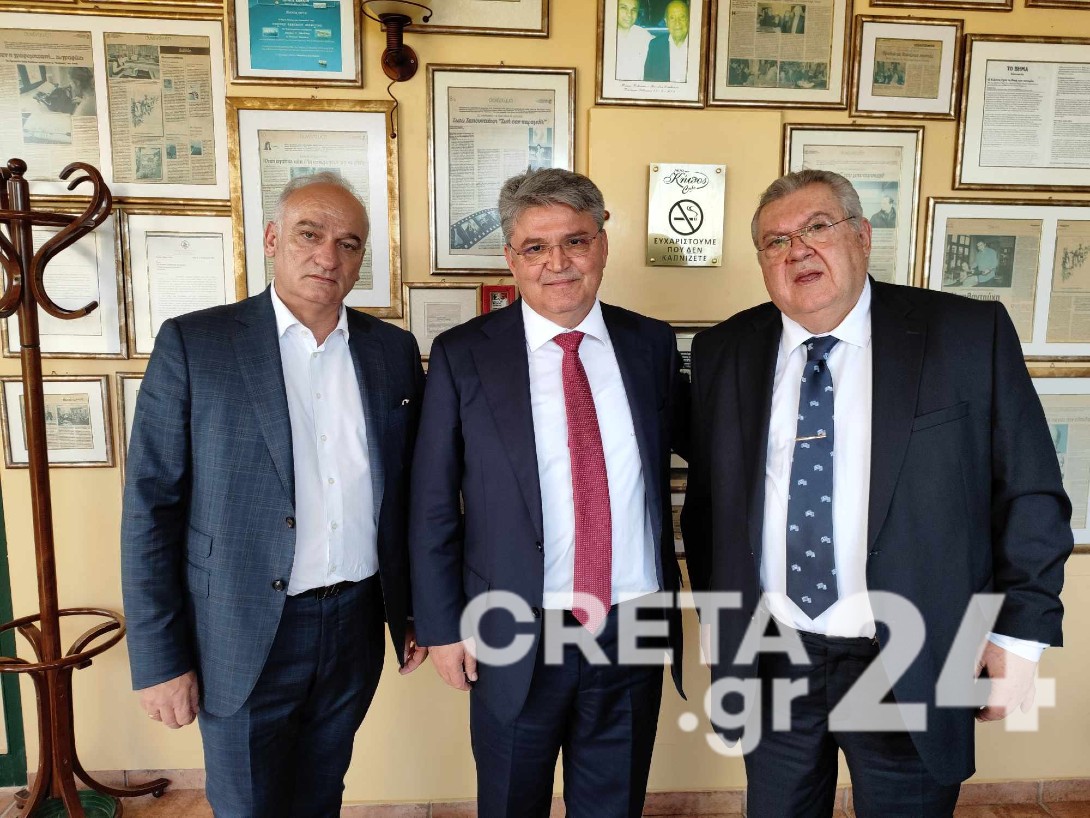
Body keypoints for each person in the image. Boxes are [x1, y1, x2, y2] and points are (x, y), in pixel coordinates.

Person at [682, 168, 1071, 817]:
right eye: (775, 241)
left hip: (911, 654)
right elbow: (709, 509)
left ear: (862, 236)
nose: (797, 250)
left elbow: (1030, 493)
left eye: (817, 227)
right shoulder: (725, 349)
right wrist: (719, 622)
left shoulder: (965, 334)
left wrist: (1019, 636)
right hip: (774, 654)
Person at [121, 172, 428, 818]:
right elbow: (150, 509)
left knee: (322, 794)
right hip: (240, 630)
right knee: (249, 805)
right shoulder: (196, 344)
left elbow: (408, 495)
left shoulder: (392, 352)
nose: (328, 257)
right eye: (308, 235)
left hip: (354, 626)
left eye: (348, 244)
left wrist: (412, 610)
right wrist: (158, 659)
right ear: (271, 239)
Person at [410, 167, 686, 818]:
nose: (557, 263)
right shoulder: (462, 354)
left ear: (602, 245)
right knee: (511, 801)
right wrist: (443, 628)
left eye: (575, 241)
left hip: (631, 621)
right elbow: (431, 505)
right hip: (512, 627)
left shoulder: (650, 344)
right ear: (512, 259)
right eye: (535, 247)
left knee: (614, 805)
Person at [644, 0, 689, 83]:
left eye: (682, 17)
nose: (677, 23)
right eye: (672, 18)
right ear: (666, 22)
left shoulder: (699, 46)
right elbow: (648, 81)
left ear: (689, 20)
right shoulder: (655, 46)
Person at [615, 0, 653, 81]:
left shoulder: (644, 36)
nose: (629, 14)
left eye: (633, 10)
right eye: (623, 8)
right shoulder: (604, 35)